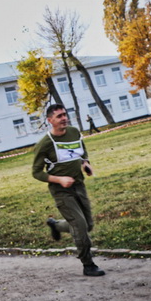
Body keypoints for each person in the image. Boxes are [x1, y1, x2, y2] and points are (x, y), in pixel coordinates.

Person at [31, 104, 105, 277]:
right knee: (79, 226)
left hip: (79, 185)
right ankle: (88, 265)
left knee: (88, 225)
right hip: (61, 190)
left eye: (65, 114)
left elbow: (82, 151)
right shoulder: (45, 144)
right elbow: (36, 172)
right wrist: (60, 179)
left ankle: (56, 225)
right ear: (50, 121)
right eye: (59, 116)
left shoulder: (74, 132)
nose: (64, 118)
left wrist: (85, 164)